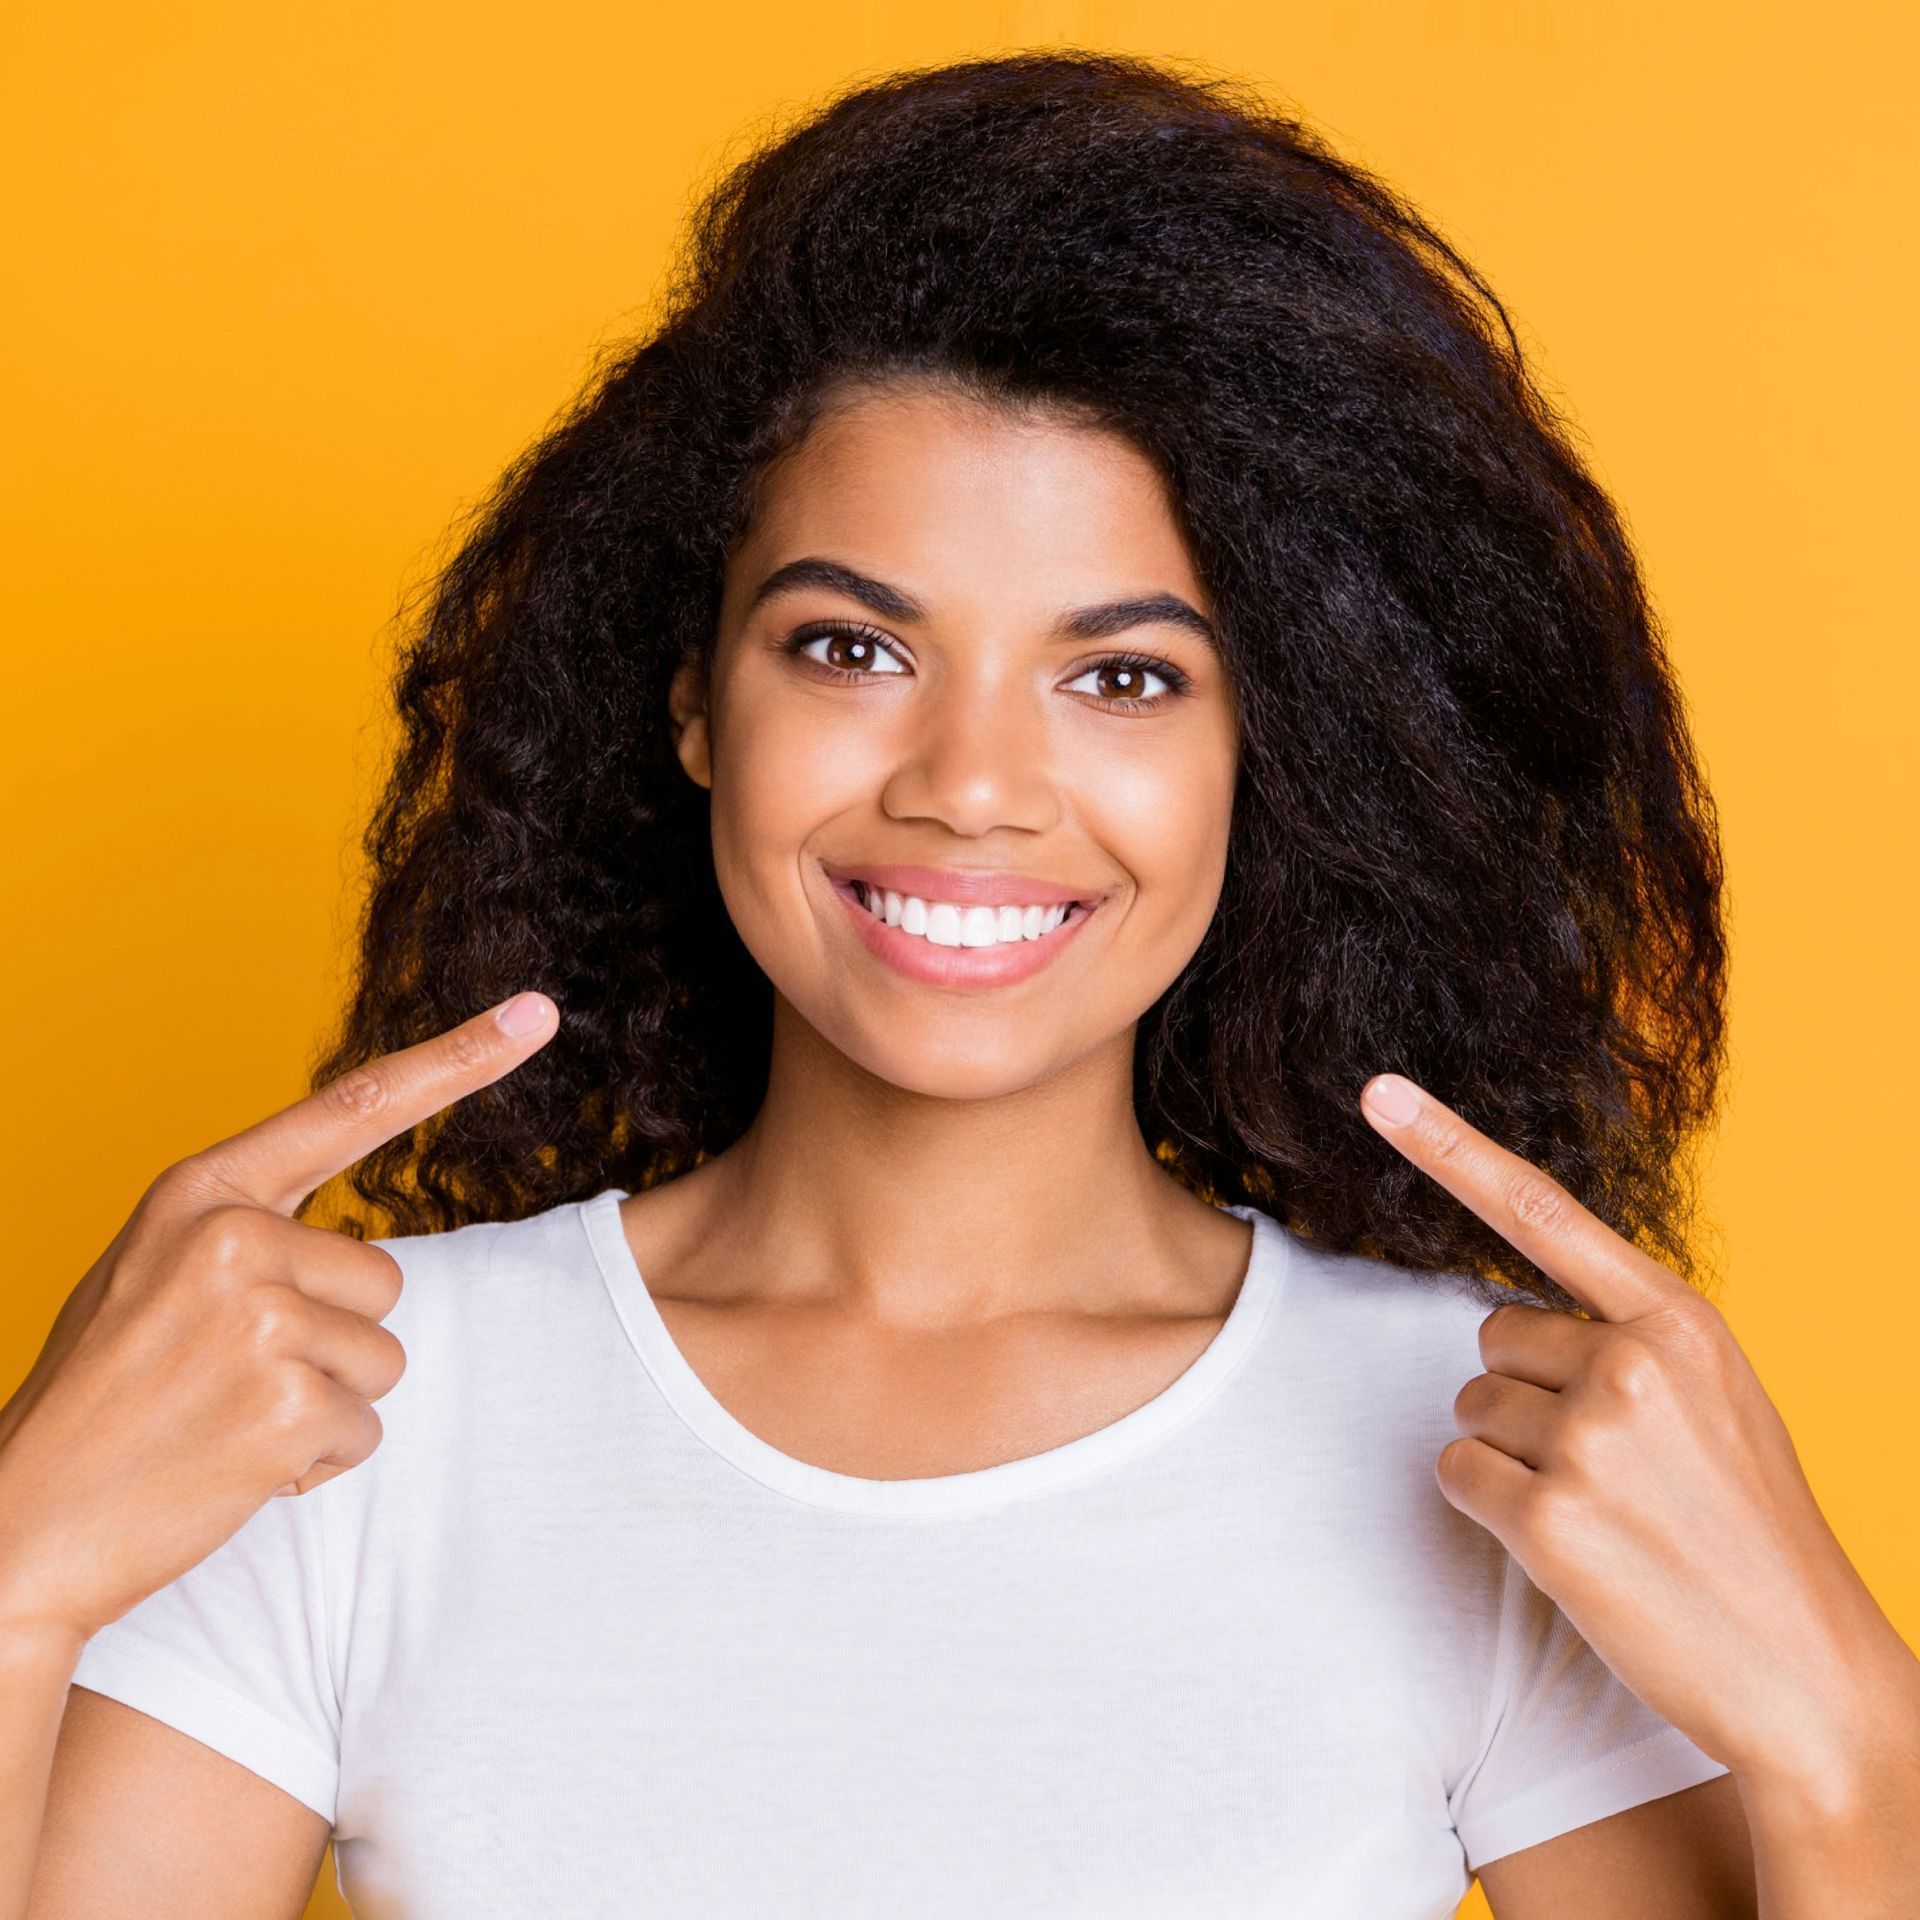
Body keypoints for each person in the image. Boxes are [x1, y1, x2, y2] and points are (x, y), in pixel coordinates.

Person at [3, 46, 1915, 1920]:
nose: (973, 787)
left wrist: (1850, 1730)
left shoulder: (1484, 1437)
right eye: (850, 649)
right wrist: (18, 1565)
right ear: (692, 699)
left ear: (1277, 752)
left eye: (1125, 677)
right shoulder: (342, 1403)